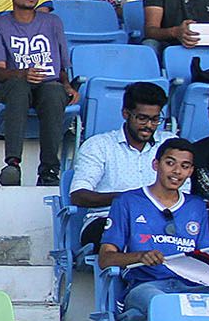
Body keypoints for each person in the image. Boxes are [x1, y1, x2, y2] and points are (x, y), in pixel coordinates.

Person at [0, 0, 75, 187]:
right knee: (19, 86)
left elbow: (61, 67)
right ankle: (13, 164)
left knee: (54, 92)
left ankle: (50, 169)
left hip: (47, 84)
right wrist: (22, 74)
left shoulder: (52, 22)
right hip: (10, 87)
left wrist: (68, 86)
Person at [100, 139, 209, 321]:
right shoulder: (127, 201)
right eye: (170, 163)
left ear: (191, 171)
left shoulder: (196, 205)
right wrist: (140, 256)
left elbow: (204, 258)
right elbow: (105, 259)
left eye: (184, 166)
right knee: (162, 305)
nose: (177, 171)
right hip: (145, 286)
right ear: (155, 164)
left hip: (191, 287)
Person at [70, 82, 178, 247]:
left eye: (155, 119)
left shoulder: (171, 144)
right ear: (126, 113)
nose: (149, 126)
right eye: (142, 118)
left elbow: (183, 194)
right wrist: (128, 200)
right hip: (107, 219)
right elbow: (78, 195)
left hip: (160, 222)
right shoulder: (99, 145)